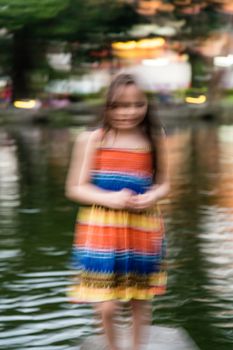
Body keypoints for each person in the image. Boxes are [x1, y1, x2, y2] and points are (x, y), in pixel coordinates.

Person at [65, 73, 170, 350]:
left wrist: (152, 196)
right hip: (101, 228)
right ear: (107, 106)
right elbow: (75, 188)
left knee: (140, 300)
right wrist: (111, 199)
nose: (129, 112)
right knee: (107, 307)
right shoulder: (93, 139)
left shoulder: (153, 137)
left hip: (142, 227)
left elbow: (164, 183)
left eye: (137, 104)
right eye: (120, 105)